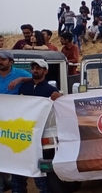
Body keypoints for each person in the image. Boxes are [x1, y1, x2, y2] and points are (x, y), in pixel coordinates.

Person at [11, 59, 62, 193]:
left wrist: (59, 98)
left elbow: (57, 109)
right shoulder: (24, 87)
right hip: (22, 134)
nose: (35, 70)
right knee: (18, 172)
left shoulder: (51, 90)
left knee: (41, 172)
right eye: (33, 68)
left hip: (39, 137)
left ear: (45, 71)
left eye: (38, 68)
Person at [0, 50, 32, 193]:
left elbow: (36, 80)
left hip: (14, 125)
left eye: (3, 59)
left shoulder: (20, 73)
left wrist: (20, 80)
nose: (0, 61)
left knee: (15, 158)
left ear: (11, 62)